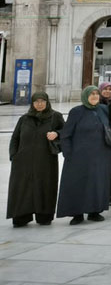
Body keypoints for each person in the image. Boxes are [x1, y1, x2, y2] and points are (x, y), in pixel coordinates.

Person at [56, 86, 111, 225]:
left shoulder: (104, 110)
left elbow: (110, 129)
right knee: (78, 184)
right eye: (91, 94)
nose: (94, 96)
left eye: (96, 94)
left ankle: (94, 211)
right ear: (85, 96)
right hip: (78, 156)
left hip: (100, 155)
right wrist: (68, 153)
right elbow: (66, 134)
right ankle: (77, 214)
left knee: (96, 183)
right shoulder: (76, 112)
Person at [7, 92, 64, 227]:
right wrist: (14, 155)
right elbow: (15, 138)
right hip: (22, 162)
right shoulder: (24, 119)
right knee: (22, 189)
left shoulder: (55, 117)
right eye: (36, 101)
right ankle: (22, 216)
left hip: (46, 161)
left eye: (42, 101)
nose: (40, 104)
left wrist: (57, 133)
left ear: (47, 102)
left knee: (44, 187)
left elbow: (66, 131)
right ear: (32, 103)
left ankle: (43, 216)